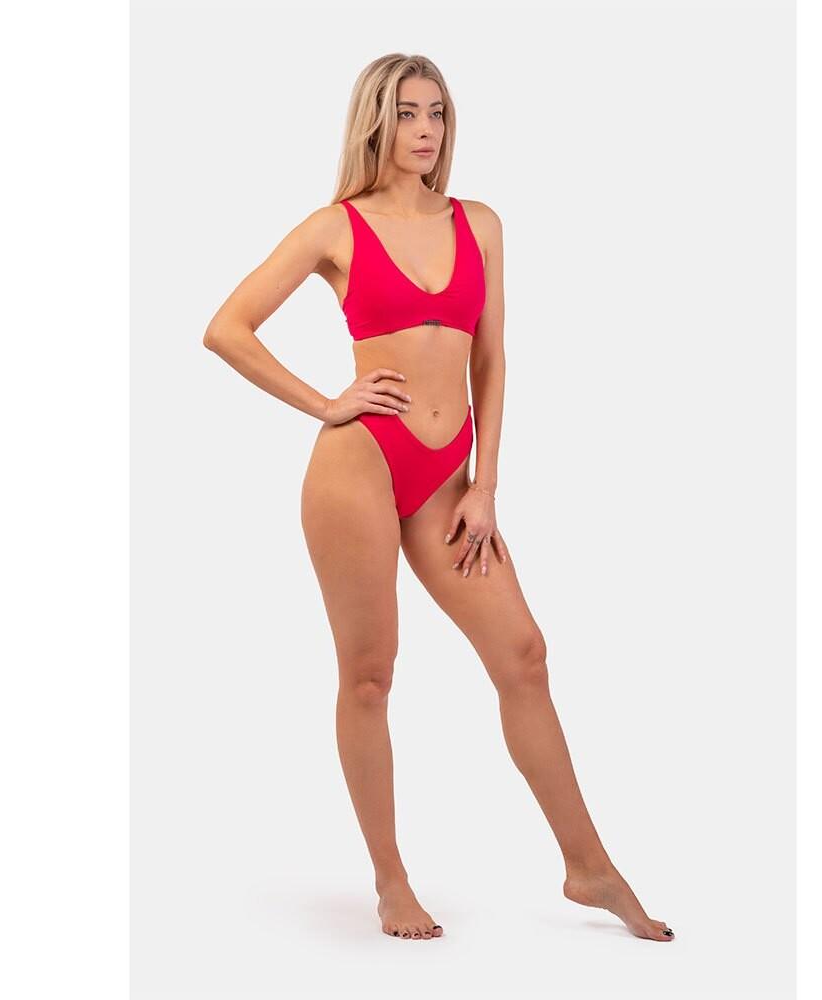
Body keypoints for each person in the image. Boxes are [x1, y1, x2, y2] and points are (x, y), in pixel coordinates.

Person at [203, 53, 674, 944]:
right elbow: (226, 328)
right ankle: (391, 882)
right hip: (360, 465)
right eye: (408, 113)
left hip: (449, 478)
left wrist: (485, 484)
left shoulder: (479, 223)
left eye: (438, 113)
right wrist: (327, 402)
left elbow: (491, 359)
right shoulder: (335, 228)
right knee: (370, 675)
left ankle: (588, 867)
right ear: (375, 123)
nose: (426, 130)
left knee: (523, 654)